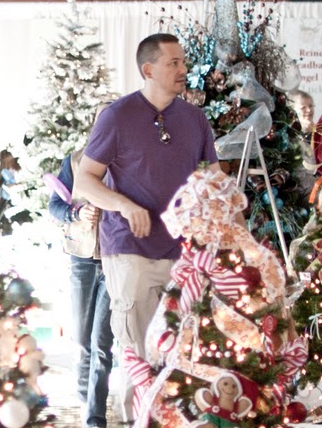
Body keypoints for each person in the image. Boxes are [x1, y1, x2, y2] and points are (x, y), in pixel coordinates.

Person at [73, 33, 218, 366]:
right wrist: (124, 205)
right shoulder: (117, 116)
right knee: (139, 354)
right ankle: (136, 418)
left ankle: (174, 419)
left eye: (183, 61)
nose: (183, 69)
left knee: (182, 355)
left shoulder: (195, 120)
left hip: (183, 251)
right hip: (130, 248)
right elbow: (85, 179)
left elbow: (215, 182)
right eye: (174, 63)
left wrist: (235, 236)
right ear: (148, 70)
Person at [50, 145, 114, 428]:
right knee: (80, 338)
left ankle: (95, 416)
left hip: (116, 259)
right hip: (82, 257)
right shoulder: (75, 160)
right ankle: (84, 398)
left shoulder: (130, 159)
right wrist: (77, 212)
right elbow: (55, 206)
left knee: (102, 341)